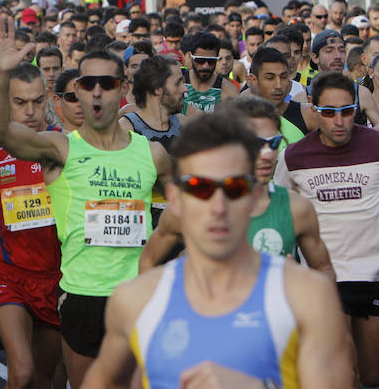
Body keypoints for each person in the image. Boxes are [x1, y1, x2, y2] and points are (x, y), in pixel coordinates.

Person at [83, 112, 353, 388]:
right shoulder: (136, 300)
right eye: (200, 188)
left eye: (235, 188)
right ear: (174, 198)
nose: (218, 206)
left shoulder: (306, 296)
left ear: (256, 195)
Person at [0, 16, 171, 386]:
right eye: (88, 84)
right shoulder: (60, 149)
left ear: (124, 88)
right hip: (82, 295)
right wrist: (1, 75)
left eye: (107, 83)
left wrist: (163, 249)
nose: (97, 92)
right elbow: (1, 131)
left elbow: (185, 210)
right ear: (78, 92)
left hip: (137, 296)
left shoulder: (152, 154)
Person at [140, 96, 334, 278]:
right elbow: (148, 261)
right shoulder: (193, 204)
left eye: (274, 142)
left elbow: (323, 269)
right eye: (258, 143)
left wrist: (302, 288)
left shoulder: (296, 209)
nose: (268, 154)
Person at [274, 71, 379, 385]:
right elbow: (280, 213)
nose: (339, 121)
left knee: (372, 375)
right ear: (313, 109)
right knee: (341, 374)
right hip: (324, 279)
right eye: (329, 112)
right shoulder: (293, 157)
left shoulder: (376, 146)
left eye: (347, 111)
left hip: (373, 276)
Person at [0, 62, 63, 389]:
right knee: (21, 371)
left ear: (48, 99)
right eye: (20, 102)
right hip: (10, 274)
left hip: (58, 277)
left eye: (37, 101)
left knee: (42, 379)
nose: (31, 111)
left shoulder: (65, 149)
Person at [246, 47, 316, 143]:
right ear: (253, 80)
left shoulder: (307, 115)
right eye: (270, 78)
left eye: (283, 77)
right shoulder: (239, 121)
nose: (278, 85)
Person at [183, 31, 239, 113]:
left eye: (211, 61)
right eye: (200, 60)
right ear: (190, 57)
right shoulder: (180, 83)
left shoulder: (229, 91)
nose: (206, 66)